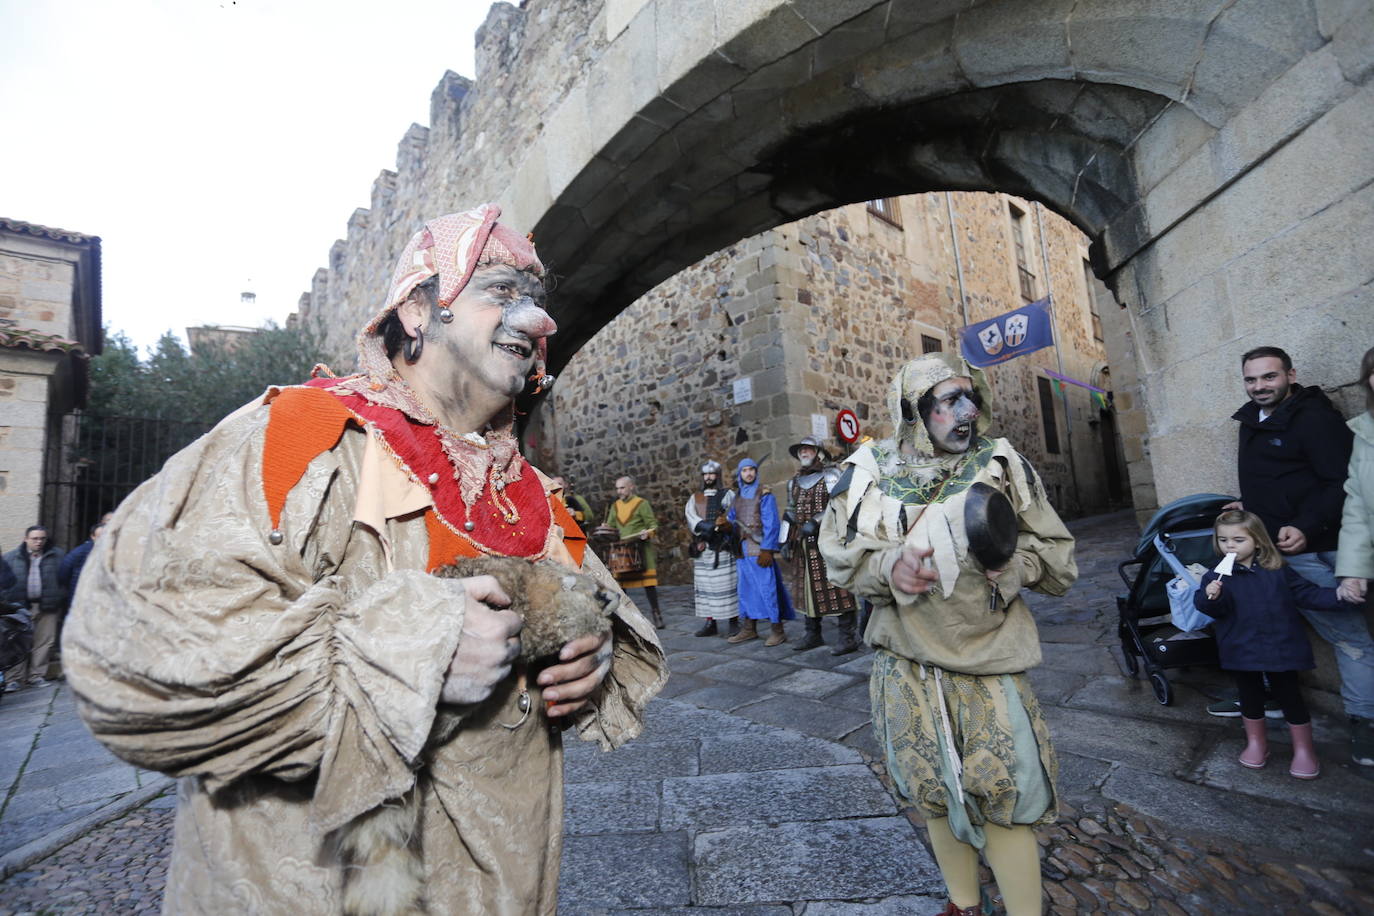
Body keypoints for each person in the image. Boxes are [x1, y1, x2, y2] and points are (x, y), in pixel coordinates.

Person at [62, 204, 668, 913]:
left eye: (535, 302)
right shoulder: (296, 438)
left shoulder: (529, 495)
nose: (537, 322)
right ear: (418, 309)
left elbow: (592, 624)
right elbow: (133, 651)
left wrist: (587, 659)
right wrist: (413, 648)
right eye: (502, 292)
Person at [819, 352, 1076, 916]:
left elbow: (1057, 556)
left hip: (988, 659)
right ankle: (963, 904)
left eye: (970, 397)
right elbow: (840, 559)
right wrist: (890, 569)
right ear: (913, 411)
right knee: (933, 788)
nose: (966, 412)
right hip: (906, 660)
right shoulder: (869, 471)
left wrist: (1011, 568)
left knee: (1007, 790)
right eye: (949, 401)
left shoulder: (1001, 464)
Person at [1219, 346, 1374, 767]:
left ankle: (1365, 725)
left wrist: (1305, 525)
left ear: (1290, 375)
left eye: (1269, 377)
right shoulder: (1251, 421)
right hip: (1272, 548)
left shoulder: (1315, 418)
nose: (1259, 387)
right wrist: (1244, 508)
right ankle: (1266, 695)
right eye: (1251, 379)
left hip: (1318, 548)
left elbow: (1344, 481)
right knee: (1267, 624)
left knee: (1350, 639)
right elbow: (1275, 480)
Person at [1195, 510, 1353, 778]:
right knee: (1250, 698)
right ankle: (1257, 743)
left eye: (1237, 540)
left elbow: (1307, 594)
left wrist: (1340, 596)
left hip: (1281, 646)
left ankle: (1304, 750)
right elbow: (1212, 610)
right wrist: (1210, 598)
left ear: (1257, 541)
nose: (1229, 546)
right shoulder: (1216, 576)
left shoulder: (1278, 570)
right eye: (1223, 540)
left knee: (1290, 696)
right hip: (1241, 648)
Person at [783, 436, 860, 654]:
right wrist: (784, 540)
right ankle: (812, 633)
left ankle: (848, 637)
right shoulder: (794, 482)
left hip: (829, 540)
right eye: (801, 450)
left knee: (838, 586)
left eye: (808, 449)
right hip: (802, 543)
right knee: (806, 586)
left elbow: (839, 504)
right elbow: (789, 512)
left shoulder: (832, 475)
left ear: (818, 452)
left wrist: (815, 521)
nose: (804, 453)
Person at [727, 458, 795, 646]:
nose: (748, 473)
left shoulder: (764, 494)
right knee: (746, 590)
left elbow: (772, 523)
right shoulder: (737, 496)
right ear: (740, 474)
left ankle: (777, 630)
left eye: (751, 470)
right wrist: (725, 525)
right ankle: (749, 628)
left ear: (756, 472)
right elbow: (732, 519)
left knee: (767, 589)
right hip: (742, 550)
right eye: (744, 470)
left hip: (759, 549)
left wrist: (767, 549)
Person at [3, 525, 66, 690]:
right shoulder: (11, 557)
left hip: (48, 606)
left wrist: (60, 598)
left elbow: (65, 578)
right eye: (35, 538)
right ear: (26, 539)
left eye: (42, 538)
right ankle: (13, 679)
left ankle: (36, 676)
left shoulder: (57, 556)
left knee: (44, 642)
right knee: (17, 642)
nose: (39, 542)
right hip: (21, 607)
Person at [684, 459, 739, 637]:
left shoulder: (728, 495)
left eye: (711, 473)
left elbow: (734, 515)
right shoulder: (695, 497)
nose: (708, 477)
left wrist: (725, 525)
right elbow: (691, 516)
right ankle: (710, 623)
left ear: (717, 475)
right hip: (704, 548)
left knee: (728, 585)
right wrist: (704, 527)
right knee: (706, 588)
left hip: (722, 548)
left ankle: (733, 622)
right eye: (706, 474)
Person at [603, 475, 664, 629]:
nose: (619, 491)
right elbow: (611, 526)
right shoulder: (615, 506)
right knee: (622, 588)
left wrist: (647, 533)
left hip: (640, 549)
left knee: (649, 585)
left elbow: (653, 525)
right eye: (617, 488)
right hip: (621, 552)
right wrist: (606, 529)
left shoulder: (642, 504)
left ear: (631, 487)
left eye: (622, 487)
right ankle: (626, 619)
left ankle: (657, 615)